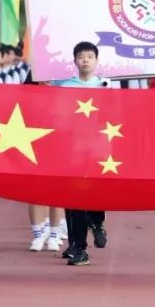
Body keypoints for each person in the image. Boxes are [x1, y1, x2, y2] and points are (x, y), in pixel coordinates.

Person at [53, 41, 111, 266]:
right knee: (74, 196)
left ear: (96, 61)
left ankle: (97, 222)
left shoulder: (105, 85)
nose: (85, 60)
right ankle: (79, 246)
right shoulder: (66, 86)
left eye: (89, 56)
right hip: (72, 149)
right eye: (81, 56)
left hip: (99, 149)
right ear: (75, 61)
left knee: (94, 193)